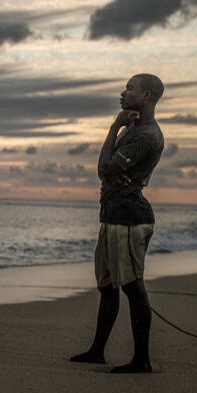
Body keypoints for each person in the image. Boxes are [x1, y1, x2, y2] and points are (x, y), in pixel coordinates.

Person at [71, 74, 165, 373]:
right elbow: (109, 170)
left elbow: (104, 168)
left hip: (128, 217)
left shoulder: (146, 134)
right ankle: (97, 351)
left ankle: (142, 360)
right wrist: (113, 167)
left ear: (147, 95)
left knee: (132, 286)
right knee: (108, 286)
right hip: (113, 213)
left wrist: (114, 127)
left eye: (130, 89)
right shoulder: (135, 130)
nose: (123, 94)